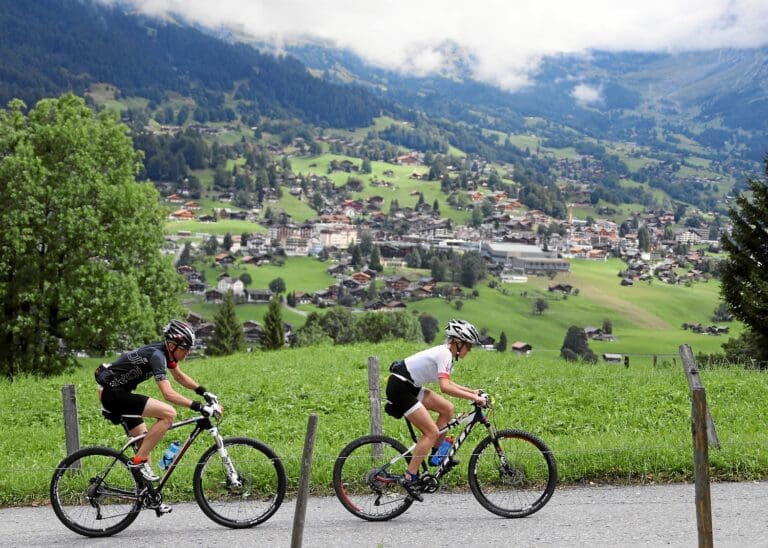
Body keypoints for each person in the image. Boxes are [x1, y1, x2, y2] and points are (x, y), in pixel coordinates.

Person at [94, 320, 221, 489]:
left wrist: (204, 392)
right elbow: (168, 394)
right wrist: (199, 406)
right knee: (169, 414)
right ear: (172, 345)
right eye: (185, 348)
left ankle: (147, 493)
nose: (188, 353)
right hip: (113, 395)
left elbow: (179, 377)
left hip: (117, 393)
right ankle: (138, 463)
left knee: (145, 443)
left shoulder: (164, 352)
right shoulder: (157, 356)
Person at [384, 319, 489, 501]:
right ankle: (409, 477)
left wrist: (472, 391)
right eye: (468, 346)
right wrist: (474, 398)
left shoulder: (446, 354)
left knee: (448, 409)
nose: (469, 350)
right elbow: (445, 388)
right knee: (431, 432)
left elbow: (448, 382)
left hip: (410, 386)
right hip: (400, 388)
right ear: (458, 342)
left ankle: (437, 455)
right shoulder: (445, 354)